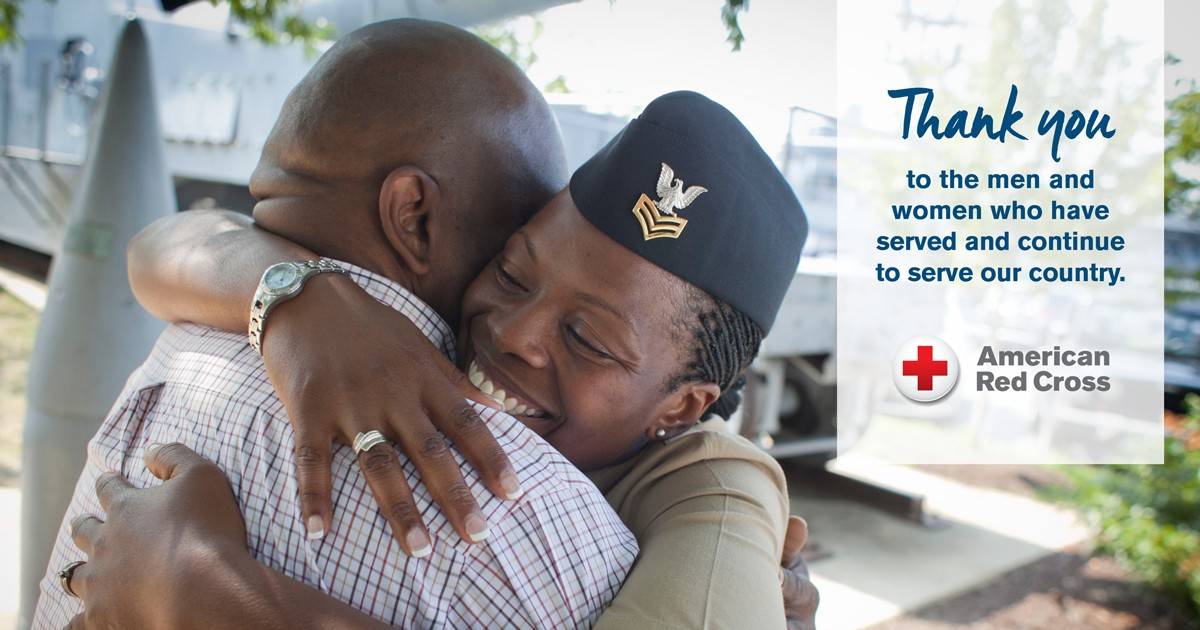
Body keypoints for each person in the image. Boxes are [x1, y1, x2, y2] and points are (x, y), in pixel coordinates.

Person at [62, 88, 819, 629]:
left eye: (589, 340)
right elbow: (161, 248)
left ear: (682, 407)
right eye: (513, 273)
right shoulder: (396, 340)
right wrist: (301, 303)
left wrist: (222, 602)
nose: (515, 331)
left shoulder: (716, 487)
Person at [35, 19, 639, 629]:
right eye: (510, 258)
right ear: (414, 217)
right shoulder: (531, 519)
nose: (514, 331)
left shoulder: (181, 346)